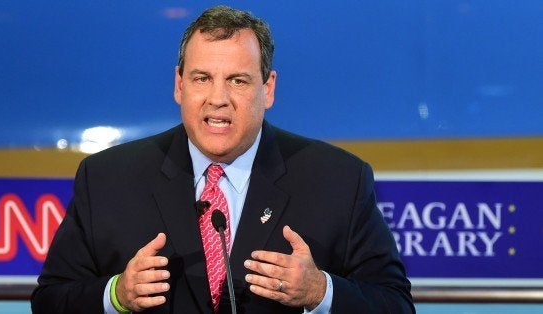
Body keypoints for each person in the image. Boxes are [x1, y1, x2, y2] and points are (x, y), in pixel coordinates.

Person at [31, 5, 414, 313]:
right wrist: (117, 295)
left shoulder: (338, 180)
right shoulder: (108, 179)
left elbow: (395, 304)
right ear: (179, 85)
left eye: (238, 80)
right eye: (201, 79)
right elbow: (50, 301)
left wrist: (320, 291)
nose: (218, 99)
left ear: (268, 88)